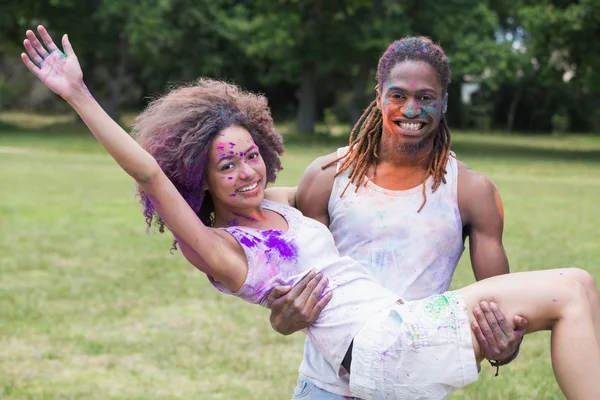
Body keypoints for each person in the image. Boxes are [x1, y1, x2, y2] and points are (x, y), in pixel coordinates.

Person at [21, 26, 600, 400]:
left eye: (252, 156)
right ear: (200, 178)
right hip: (378, 347)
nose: (247, 172)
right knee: (574, 287)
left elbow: (318, 195)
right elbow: (149, 172)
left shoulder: (276, 211)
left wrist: (349, 158)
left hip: (394, 342)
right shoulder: (222, 248)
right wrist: (77, 95)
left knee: (578, 292)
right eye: (228, 166)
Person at [265, 37, 526, 399]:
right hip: (324, 387)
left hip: (411, 388)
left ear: (445, 102)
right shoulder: (327, 176)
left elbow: (505, 307)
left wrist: (505, 345)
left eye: (426, 98)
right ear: (379, 95)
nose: (411, 109)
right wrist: (283, 318)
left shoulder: (471, 191)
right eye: (399, 95)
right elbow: (296, 291)